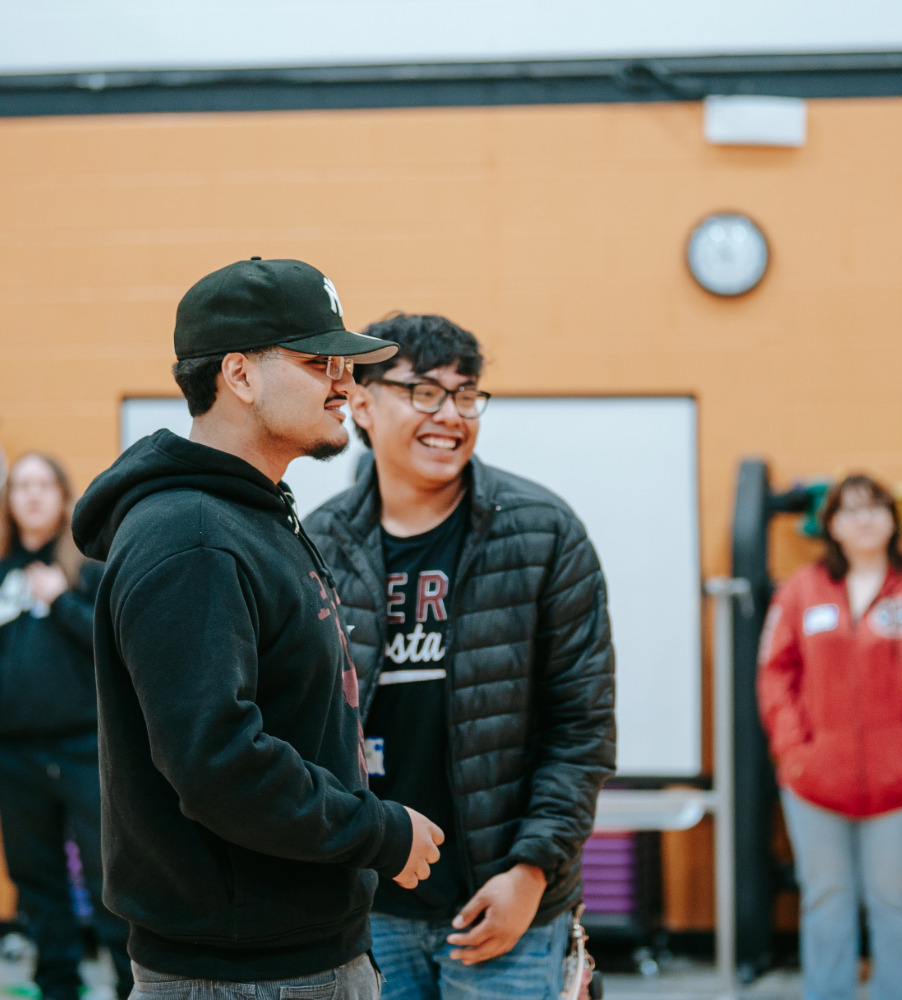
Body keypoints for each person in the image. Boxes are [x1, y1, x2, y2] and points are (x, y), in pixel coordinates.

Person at [71, 259, 445, 1000]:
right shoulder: (192, 538)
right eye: (317, 362)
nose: (345, 385)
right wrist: (377, 831)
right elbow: (220, 763)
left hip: (299, 955)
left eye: (347, 366)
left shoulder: (251, 513)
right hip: (243, 976)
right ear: (239, 374)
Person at [304, 313, 616, 1000]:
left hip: (508, 905)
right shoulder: (317, 545)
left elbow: (582, 728)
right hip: (368, 907)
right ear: (361, 402)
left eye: (465, 394)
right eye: (423, 391)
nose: (449, 415)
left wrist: (531, 873)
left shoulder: (543, 533)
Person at [757, 473, 902, 1000]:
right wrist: (794, 750)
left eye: (875, 507)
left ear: (893, 520)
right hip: (814, 783)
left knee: (896, 898)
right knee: (826, 900)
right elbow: (776, 674)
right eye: (850, 510)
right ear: (832, 525)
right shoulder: (801, 591)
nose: (864, 518)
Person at [0, 452, 132, 1000]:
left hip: (85, 748)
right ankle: (56, 985)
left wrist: (60, 602)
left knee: (106, 877)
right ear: (9, 501)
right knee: (36, 881)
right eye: (21, 486)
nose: (32, 495)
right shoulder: (3, 572)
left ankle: (129, 986)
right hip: (14, 754)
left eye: (43, 485)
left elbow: (116, 649)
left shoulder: (87, 568)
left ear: (61, 496)